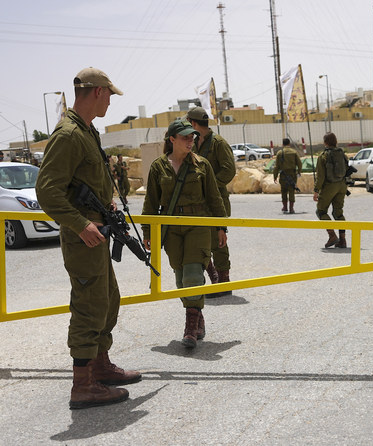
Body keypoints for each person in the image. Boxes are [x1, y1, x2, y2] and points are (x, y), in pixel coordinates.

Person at [35, 67, 141, 410]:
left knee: (107, 299)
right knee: (89, 306)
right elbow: (47, 191)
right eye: (110, 94)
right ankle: (83, 386)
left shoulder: (86, 132)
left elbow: (79, 184)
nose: (111, 100)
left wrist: (105, 203)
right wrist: (81, 224)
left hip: (96, 233)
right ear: (97, 92)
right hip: (85, 237)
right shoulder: (68, 135)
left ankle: (100, 366)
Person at [141, 119, 228, 349]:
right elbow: (151, 201)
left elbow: (214, 197)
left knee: (192, 274)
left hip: (197, 224)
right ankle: (197, 317)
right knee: (181, 278)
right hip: (171, 229)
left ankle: (190, 328)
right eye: (185, 137)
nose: (191, 141)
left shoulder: (202, 165)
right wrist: (147, 231)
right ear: (172, 139)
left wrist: (221, 226)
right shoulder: (158, 166)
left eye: (192, 137)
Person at [186, 106, 236, 297]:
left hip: (217, 201)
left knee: (218, 241)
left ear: (193, 123)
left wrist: (210, 185)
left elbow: (229, 170)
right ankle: (214, 277)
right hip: (199, 202)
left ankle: (223, 281)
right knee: (200, 241)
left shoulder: (218, 143)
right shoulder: (195, 142)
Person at [313, 132, 348, 248]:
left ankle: (332, 235)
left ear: (325, 142)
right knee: (338, 212)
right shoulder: (342, 153)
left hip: (329, 186)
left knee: (321, 211)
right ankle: (343, 240)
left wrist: (316, 190)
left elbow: (321, 176)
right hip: (342, 186)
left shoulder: (323, 156)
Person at [273, 137, 302, 214]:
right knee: (292, 190)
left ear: (282, 144)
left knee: (284, 191)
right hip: (292, 175)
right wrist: (299, 172)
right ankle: (291, 208)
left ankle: (285, 207)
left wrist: (275, 176)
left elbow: (276, 166)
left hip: (283, 175)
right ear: (289, 143)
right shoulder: (294, 152)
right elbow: (299, 163)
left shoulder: (280, 153)